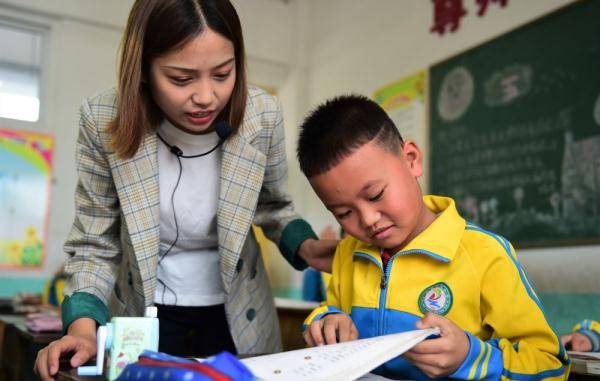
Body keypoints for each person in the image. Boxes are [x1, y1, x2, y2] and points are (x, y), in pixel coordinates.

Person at [34, 1, 335, 379]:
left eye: (223, 74)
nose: (207, 97)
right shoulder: (103, 120)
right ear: (142, 68)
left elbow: (273, 205)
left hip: (239, 310)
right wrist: (83, 329)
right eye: (181, 79)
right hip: (144, 312)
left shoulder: (263, 115)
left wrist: (307, 247)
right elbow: (95, 242)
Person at [296, 95, 568, 379]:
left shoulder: (485, 253)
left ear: (411, 160)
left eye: (375, 195)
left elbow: (551, 365)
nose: (368, 220)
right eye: (343, 213)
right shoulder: (349, 252)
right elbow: (331, 310)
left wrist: (470, 357)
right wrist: (325, 321)